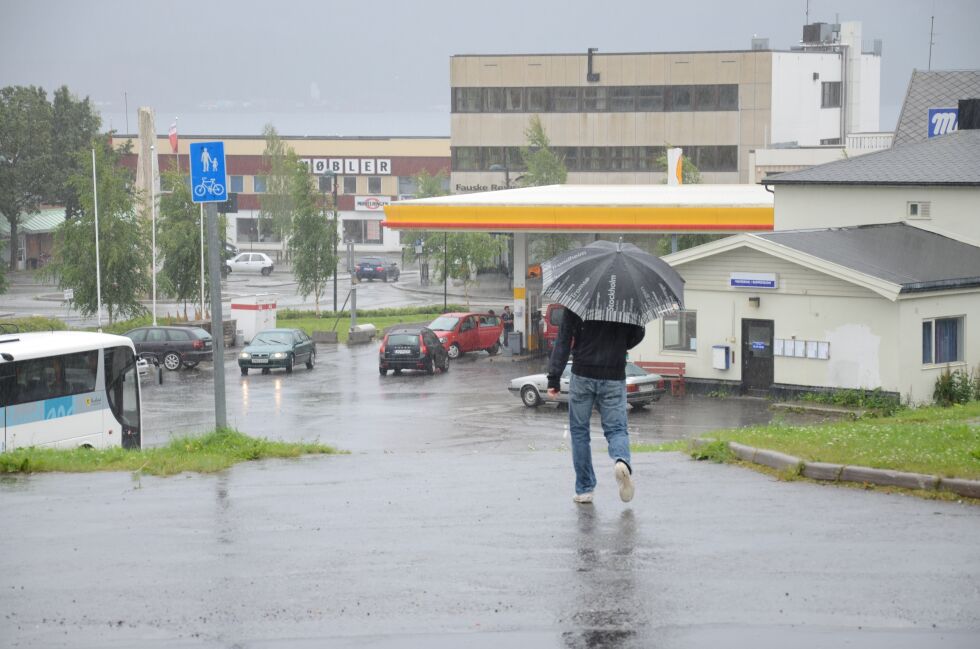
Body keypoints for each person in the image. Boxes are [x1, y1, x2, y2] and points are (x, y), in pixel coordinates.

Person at [547, 309, 645, 504]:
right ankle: (621, 461)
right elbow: (638, 333)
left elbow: (563, 340)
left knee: (580, 432)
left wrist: (554, 377)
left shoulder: (577, 300)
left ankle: (584, 489)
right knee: (616, 429)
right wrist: (619, 343)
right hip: (614, 374)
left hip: (582, 373)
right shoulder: (625, 300)